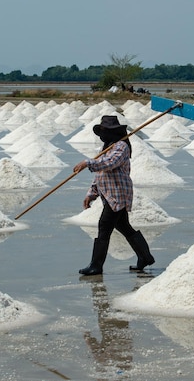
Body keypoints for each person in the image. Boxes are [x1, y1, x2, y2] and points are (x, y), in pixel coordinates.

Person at [73, 115, 155, 276]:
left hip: (118, 193)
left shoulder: (121, 146)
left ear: (113, 132)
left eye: (105, 131)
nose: (102, 135)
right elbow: (100, 174)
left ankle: (96, 265)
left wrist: (87, 162)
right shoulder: (107, 147)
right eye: (101, 131)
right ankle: (145, 257)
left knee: (104, 226)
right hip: (109, 194)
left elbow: (110, 163)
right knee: (123, 226)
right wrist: (91, 193)